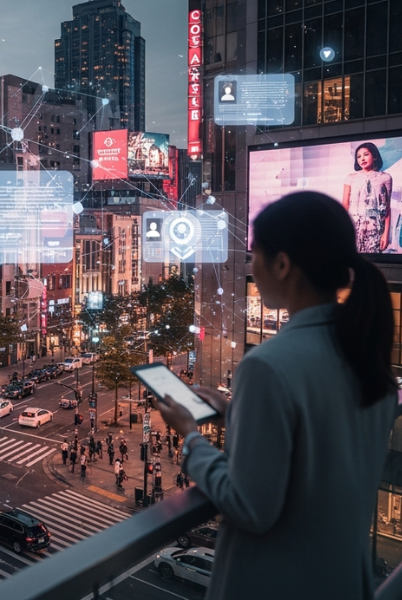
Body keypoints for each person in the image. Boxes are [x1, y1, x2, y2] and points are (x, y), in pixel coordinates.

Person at [156, 191, 401, 600]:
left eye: (254, 255)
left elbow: (250, 506)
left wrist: (190, 437)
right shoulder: (365, 358)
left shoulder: (267, 365)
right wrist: (235, 414)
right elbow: (319, 448)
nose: (250, 265)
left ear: (282, 264)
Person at [342, 142, 393, 253]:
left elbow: (387, 208)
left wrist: (386, 234)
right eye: (359, 156)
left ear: (374, 156)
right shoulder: (351, 178)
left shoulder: (385, 177)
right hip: (353, 227)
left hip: (375, 229)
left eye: (366, 154)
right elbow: (344, 205)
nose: (362, 159)